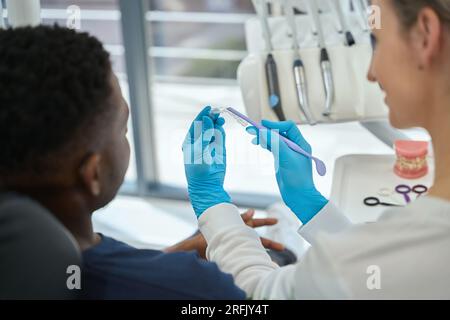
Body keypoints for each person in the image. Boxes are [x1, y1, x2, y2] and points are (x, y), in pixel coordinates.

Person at [182, 0, 450, 299]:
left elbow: (259, 297)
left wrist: (210, 202)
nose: (371, 72)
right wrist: (312, 206)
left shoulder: (424, 241)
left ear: (426, 34)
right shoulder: (417, 245)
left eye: (376, 41)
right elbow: (372, 276)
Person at [0, 25, 284, 299]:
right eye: (123, 128)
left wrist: (170, 256)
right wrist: (227, 233)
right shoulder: (195, 286)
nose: (126, 136)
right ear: (93, 174)